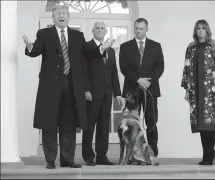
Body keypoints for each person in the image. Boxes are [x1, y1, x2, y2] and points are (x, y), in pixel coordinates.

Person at [22, 5, 114, 169]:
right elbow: (35, 50)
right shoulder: (44, 34)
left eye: (64, 13)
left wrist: (101, 48)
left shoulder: (77, 36)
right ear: (53, 18)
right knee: (49, 123)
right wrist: (29, 46)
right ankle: (50, 159)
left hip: (72, 87)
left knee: (69, 124)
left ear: (69, 17)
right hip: (50, 87)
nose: (61, 16)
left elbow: (88, 51)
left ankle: (67, 160)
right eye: (58, 13)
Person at [181, 19, 215, 165]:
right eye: (198, 28)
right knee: (201, 123)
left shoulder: (214, 46)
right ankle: (207, 154)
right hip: (196, 90)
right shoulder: (191, 48)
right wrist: (187, 89)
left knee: (211, 122)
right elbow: (187, 68)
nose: (200, 31)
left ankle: (209, 154)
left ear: (207, 30)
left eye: (203, 28)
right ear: (195, 31)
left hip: (211, 90)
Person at [119, 18, 164, 157]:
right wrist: (138, 80)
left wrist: (148, 82)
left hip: (150, 90)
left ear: (147, 29)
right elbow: (123, 67)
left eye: (141, 28)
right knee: (131, 123)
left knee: (151, 122)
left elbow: (160, 66)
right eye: (136, 28)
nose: (138, 31)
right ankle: (132, 155)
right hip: (131, 90)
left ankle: (152, 154)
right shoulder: (125, 46)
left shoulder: (156, 46)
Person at [82, 22, 123, 166]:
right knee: (89, 126)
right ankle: (88, 156)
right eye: (97, 28)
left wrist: (118, 94)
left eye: (102, 28)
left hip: (107, 94)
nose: (100, 30)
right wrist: (86, 89)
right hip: (92, 94)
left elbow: (113, 74)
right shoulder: (87, 47)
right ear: (93, 31)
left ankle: (101, 156)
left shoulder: (111, 51)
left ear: (105, 31)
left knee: (104, 126)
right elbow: (83, 70)